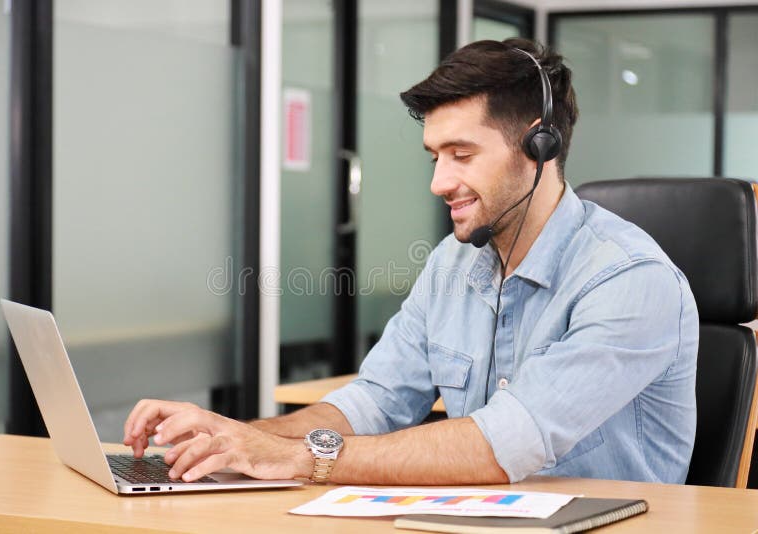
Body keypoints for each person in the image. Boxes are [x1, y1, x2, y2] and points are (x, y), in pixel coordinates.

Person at [123, 38, 698, 486]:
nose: (439, 182)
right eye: (434, 156)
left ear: (538, 147)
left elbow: (503, 447)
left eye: (462, 155)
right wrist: (237, 439)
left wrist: (296, 458)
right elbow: (374, 401)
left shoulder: (630, 281)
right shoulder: (453, 264)